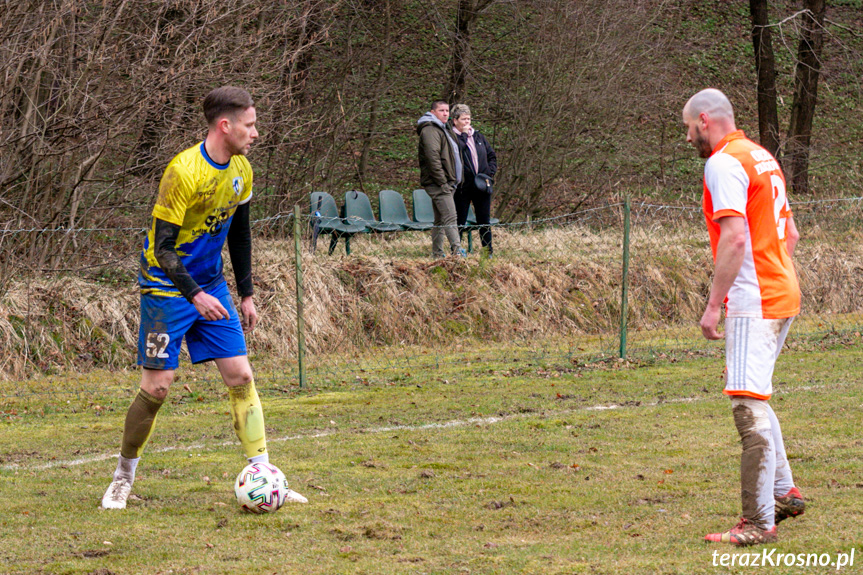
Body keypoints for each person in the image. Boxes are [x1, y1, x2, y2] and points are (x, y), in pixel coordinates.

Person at [101, 86, 307, 509]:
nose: (256, 132)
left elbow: (240, 231)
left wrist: (246, 293)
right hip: (166, 287)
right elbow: (163, 249)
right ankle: (123, 477)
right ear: (225, 125)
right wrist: (193, 296)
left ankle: (265, 477)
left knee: (242, 376)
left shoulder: (243, 171)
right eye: (249, 125)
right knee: (157, 388)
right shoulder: (183, 172)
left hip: (211, 287)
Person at [683, 88, 805, 546]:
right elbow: (789, 233)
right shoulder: (761, 157)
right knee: (756, 395)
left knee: (746, 404)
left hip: (755, 300)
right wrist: (771, 273)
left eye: (688, 127)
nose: (688, 137)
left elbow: (735, 240)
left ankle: (758, 522)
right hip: (782, 290)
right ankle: (784, 492)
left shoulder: (722, 162)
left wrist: (716, 303)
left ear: (706, 120)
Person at [416, 100, 465, 258]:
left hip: (448, 182)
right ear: (432, 112)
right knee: (451, 217)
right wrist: (442, 181)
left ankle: (437, 253)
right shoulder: (430, 130)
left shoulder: (443, 129)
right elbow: (433, 158)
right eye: (441, 110)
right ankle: (458, 252)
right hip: (439, 183)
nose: (445, 113)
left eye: (447, 111)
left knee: (440, 220)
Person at [450, 104, 497, 257]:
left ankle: (487, 252)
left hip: (482, 185)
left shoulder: (478, 136)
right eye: (463, 119)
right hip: (463, 186)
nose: (467, 122)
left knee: (484, 220)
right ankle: (456, 251)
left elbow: (491, 156)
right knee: (460, 220)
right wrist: (463, 135)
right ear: (455, 120)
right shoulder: (452, 137)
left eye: (468, 119)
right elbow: (460, 150)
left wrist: (489, 173)